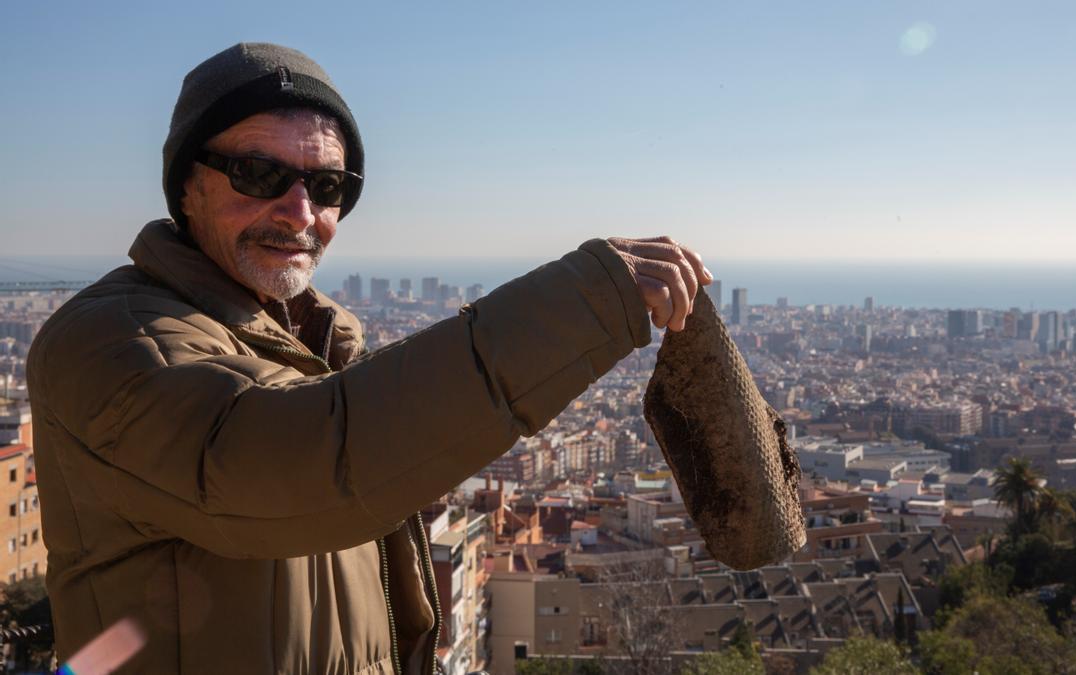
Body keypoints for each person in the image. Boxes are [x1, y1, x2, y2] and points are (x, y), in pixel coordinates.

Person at [27, 43, 709, 674]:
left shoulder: (322, 346)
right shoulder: (107, 339)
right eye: (258, 172)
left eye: (327, 187)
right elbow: (299, 461)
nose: (299, 211)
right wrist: (580, 305)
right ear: (186, 185)